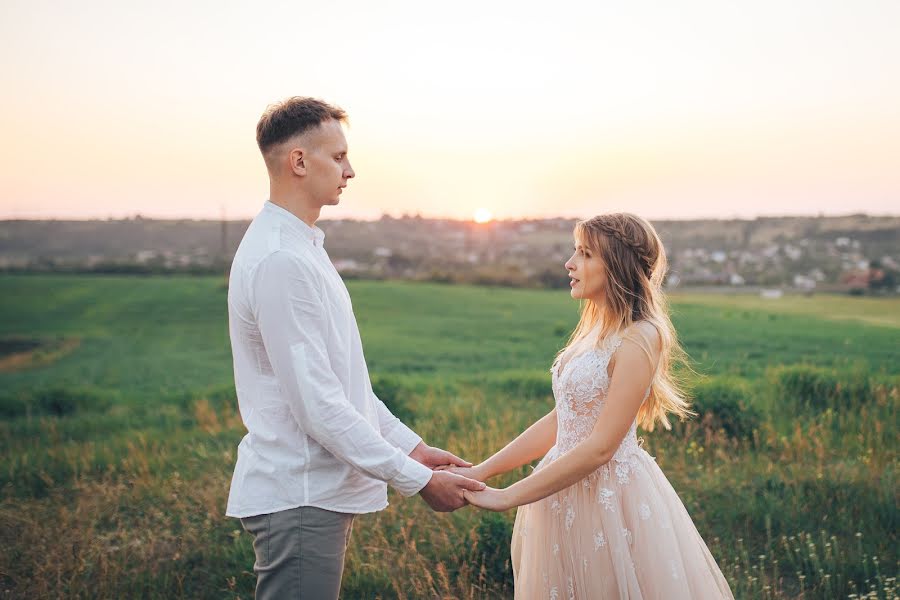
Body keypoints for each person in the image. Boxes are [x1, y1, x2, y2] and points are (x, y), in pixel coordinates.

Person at [225, 96, 485, 600]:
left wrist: (412, 448)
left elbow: (346, 387)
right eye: (338, 157)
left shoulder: (304, 249)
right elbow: (318, 407)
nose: (351, 170)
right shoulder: (281, 260)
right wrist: (416, 480)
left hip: (312, 495)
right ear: (299, 162)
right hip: (299, 495)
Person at [448, 213, 735, 598]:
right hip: (561, 489)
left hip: (610, 501)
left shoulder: (639, 337)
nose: (570, 263)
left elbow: (601, 447)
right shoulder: (597, 331)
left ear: (616, 263)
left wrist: (508, 496)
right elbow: (561, 420)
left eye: (584, 254)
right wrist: (481, 471)